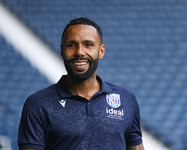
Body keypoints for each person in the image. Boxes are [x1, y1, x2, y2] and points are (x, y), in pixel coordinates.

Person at [18, 17, 144, 150]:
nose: (79, 52)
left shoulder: (126, 99)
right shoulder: (38, 104)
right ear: (62, 51)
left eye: (88, 44)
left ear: (101, 51)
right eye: (71, 45)